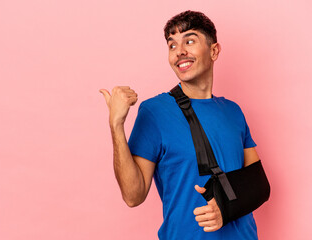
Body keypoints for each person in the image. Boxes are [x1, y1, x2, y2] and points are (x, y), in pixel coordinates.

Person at [100, 10, 264, 239]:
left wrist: (225, 209)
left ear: (214, 51)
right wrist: (116, 125)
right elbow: (133, 196)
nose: (180, 52)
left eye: (189, 40)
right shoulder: (154, 112)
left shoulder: (233, 111)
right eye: (172, 45)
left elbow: (259, 184)